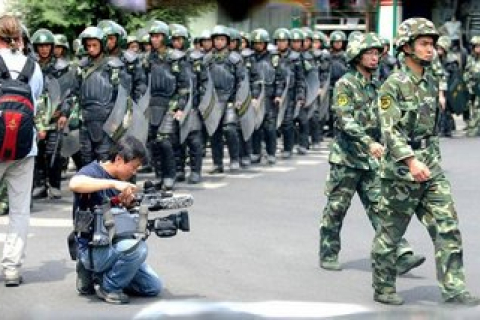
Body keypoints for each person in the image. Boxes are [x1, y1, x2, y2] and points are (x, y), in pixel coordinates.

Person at [371, 17, 480, 306]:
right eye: (424, 44)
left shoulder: (431, 82)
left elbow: (430, 128)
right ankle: (383, 287)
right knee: (390, 233)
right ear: (406, 47)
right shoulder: (392, 85)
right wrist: (410, 162)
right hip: (400, 172)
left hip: (430, 167)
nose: (430, 50)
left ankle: (454, 288)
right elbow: (390, 130)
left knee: (447, 225)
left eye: (432, 44)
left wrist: (430, 162)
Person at [319, 33, 424, 274]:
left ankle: (399, 254)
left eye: (377, 53)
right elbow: (345, 120)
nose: (374, 57)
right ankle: (328, 252)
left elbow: (385, 118)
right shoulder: (345, 84)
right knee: (336, 209)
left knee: (382, 208)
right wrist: (368, 142)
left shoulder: (378, 85)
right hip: (346, 159)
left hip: (371, 161)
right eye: (369, 53)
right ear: (356, 56)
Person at [69, 136, 162, 304]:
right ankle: (108, 286)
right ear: (119, 159)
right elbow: (75, 183)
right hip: (92, 247)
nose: (134, 172)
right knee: (139, 250)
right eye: (133, 167)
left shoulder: (124, 180)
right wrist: (112, 184)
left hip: (115, 243)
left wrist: (125, 204)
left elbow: (121, 218)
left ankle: (100, 275)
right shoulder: (93, 171)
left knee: (152, 287)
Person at [0, 15, 43, 286]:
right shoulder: (33, 67)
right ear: (20, 38)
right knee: (19, 210)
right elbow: (35, 103)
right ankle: (12, 268)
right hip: (25, 148)